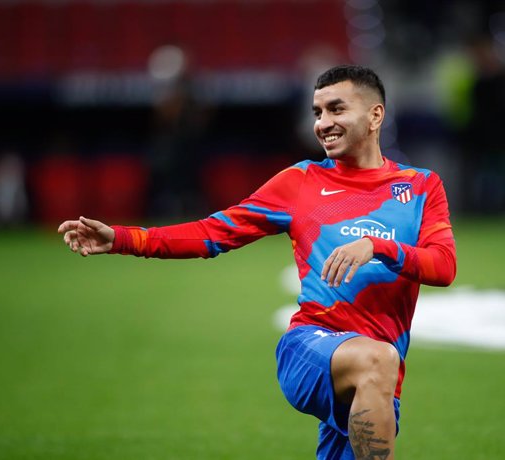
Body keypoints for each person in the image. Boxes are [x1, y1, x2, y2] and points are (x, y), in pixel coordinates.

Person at [58, 65, 457, 460]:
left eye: (336, 109)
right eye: (317, 112)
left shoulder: (421, 186)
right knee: (378, 359)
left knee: (376, 369)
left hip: (374, 378)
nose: (322, 123)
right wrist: (125, 239)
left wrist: (378, 247)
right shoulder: (300, 182)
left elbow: (443, 267)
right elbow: (212, 233)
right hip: (310, 347)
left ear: (375, 115)